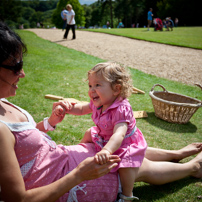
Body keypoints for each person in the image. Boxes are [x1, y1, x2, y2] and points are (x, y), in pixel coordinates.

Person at [1, 22, 202, 202]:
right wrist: (79, 174)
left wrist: (49, 123)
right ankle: (192, 168)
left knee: (130, 153)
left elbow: (25, 140)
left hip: (99, 148)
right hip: (73, 171)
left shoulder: (5, 103)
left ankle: (176, 154)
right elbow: (17, 198)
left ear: (116, 89)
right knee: (138, 166)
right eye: (16, 66)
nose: (23, 73)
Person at [55, 62, 147, 200]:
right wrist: (66, 108)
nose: (92, 90)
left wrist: (106, 151)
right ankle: (81, 153)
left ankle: (127, 195)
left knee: (126, 166)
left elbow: (119, 134)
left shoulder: (121, 109)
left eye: (97, 85)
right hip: (105, 136)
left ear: (116, 89)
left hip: (125, 144)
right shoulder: (99, 102)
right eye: (90, 85)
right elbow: (81, 109)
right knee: (88, 132)